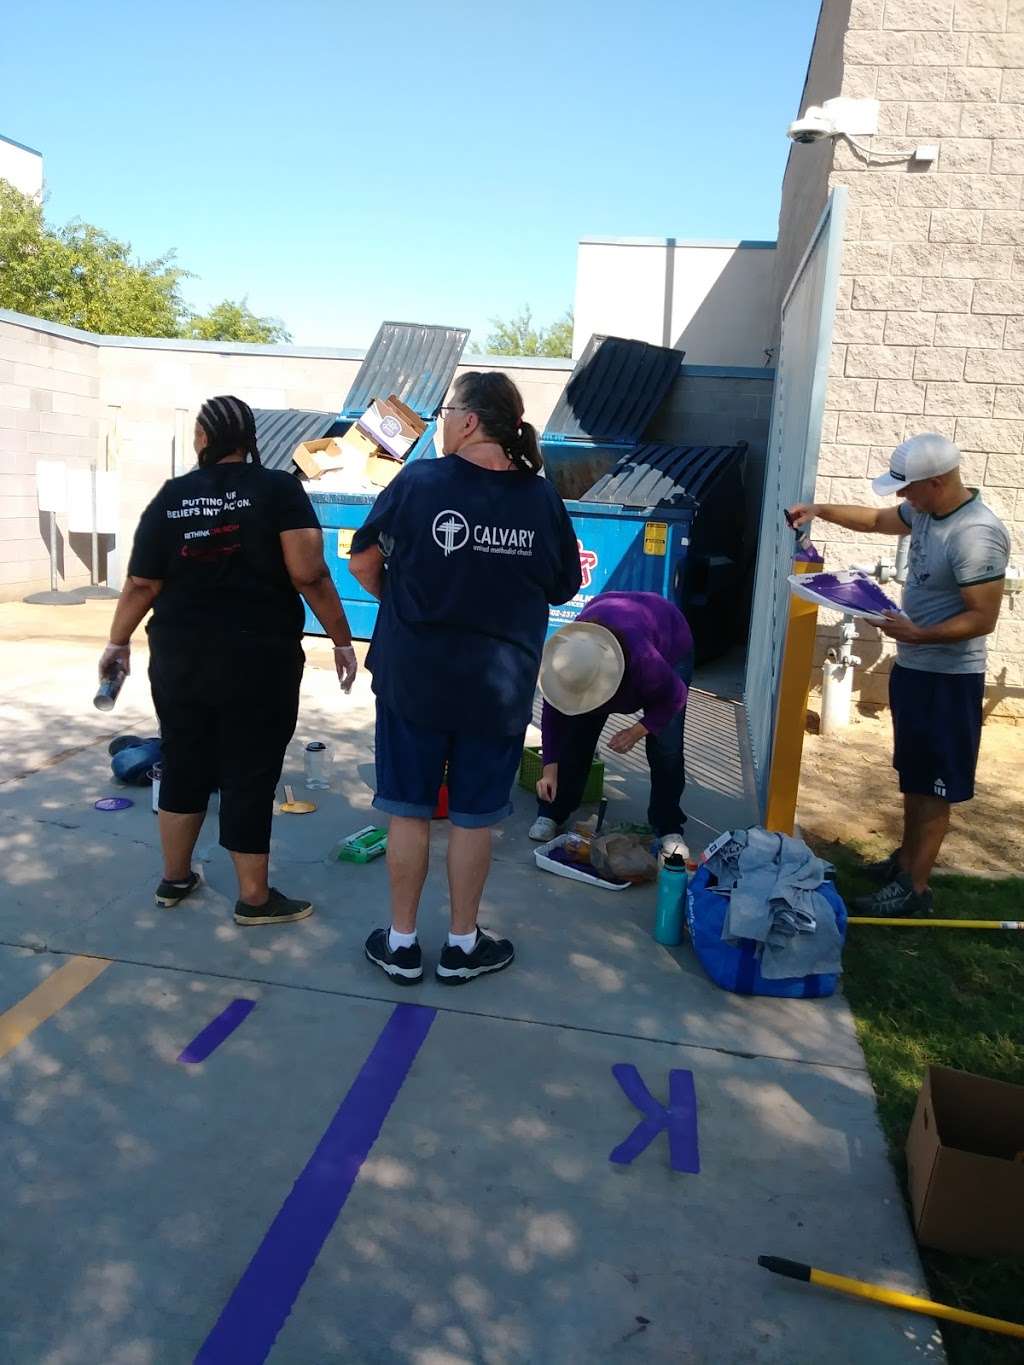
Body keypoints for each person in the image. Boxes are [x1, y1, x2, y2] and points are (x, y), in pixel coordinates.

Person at [347, 370, 582, 985]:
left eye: (449, 410)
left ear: (470, 420)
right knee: (476, 816)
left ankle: (401, 945)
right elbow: (564, 585)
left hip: (412, 677)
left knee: (409, 810)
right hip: (496, 687)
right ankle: (461, 944)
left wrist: (405, 605)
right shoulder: (541, 499)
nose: (443, 421)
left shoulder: (420, 481)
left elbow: (364, 562)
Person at [99, 395, 358, 926]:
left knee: (184, 759)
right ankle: (255, 899)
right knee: (249, 769)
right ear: (248, 440)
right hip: (256, 658)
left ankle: (174, 878)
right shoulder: (279, 490)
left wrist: (117, 641)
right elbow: (308, 573)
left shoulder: (172, 497)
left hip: (179, 657)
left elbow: (144, 582)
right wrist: (341, 639)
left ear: (203, 439)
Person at [787, 432, 1009, 916]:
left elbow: (982, 617)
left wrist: (917, 635)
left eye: (908, 488)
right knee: (914, 776)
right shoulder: (926, 512)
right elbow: (875, 520)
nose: (902, 498)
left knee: (934, 787)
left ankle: (916, 889)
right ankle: (906, 861)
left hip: (948, 679)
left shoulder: (975, 534)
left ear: (936, 481)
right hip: (916, 669)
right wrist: (819, 510)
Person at [530, 592, 693, 858]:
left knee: (666, 747)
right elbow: (554, 721)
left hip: (669, 639)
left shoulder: (645, 661)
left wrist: (637, 731)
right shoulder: (569, 662)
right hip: (616, 622)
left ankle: (668, 826)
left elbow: (674, 696)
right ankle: (552, 811)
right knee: (575, 736)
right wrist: (549, 771)